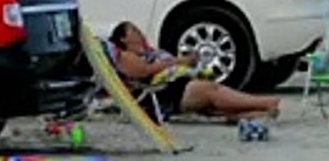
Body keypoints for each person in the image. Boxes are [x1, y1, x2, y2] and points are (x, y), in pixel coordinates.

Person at [109, 22, 280, 122]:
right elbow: (143, 72)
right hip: (160, 94)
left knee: (211, 98)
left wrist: (188, 63)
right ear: (123, 38)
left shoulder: (147, 52)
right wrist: (178, 61)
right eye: (133, 31)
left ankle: (257, 113)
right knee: (209, 90)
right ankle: (263, 103)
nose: (139, 32)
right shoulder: (125, 55)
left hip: (170, 87)